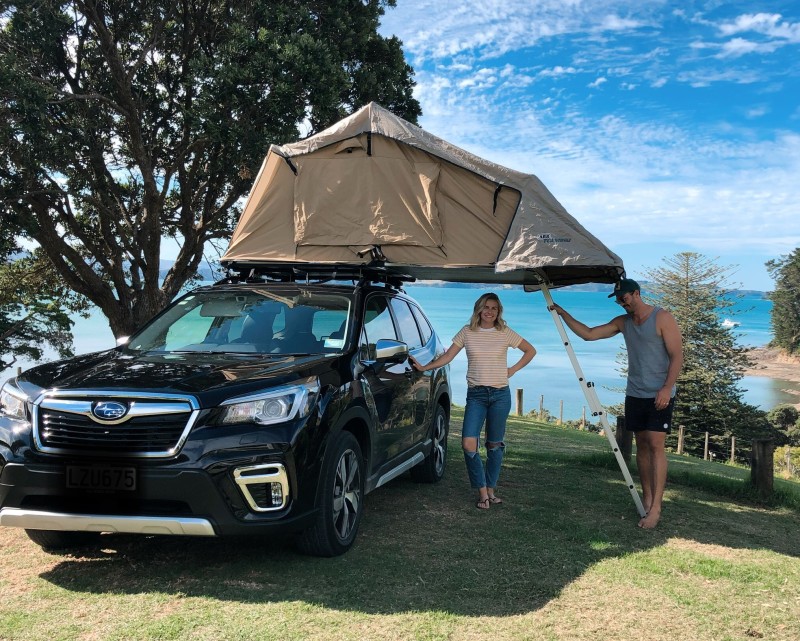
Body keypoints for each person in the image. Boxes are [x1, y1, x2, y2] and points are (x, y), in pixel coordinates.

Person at [552, 278, 683, 529]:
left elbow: (677, 355)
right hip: (635, 393)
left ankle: (656, 508)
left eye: (625, 298)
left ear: (636, 293)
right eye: (619, 300)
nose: (622, 303)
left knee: (656, 445)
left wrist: (667, 388)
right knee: (642, 446)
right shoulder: (623, 323)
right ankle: (646, 499)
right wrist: (563, 313)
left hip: (660, 394)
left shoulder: (662, 318)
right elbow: (589, 335)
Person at [410, 292, 536, 510]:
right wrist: (424, 367)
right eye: (486, 307)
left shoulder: (504, 332)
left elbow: (530, 350)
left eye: (494, 308)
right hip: (476, 395)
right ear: (478, 309)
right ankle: (481, 490)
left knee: (494, 445)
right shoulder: (467, 332)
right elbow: (447, 357)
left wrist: (512, 370)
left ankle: (490, 490)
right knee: (469, 443)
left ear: (499, 312)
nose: (489, 311)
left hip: (500, 395)